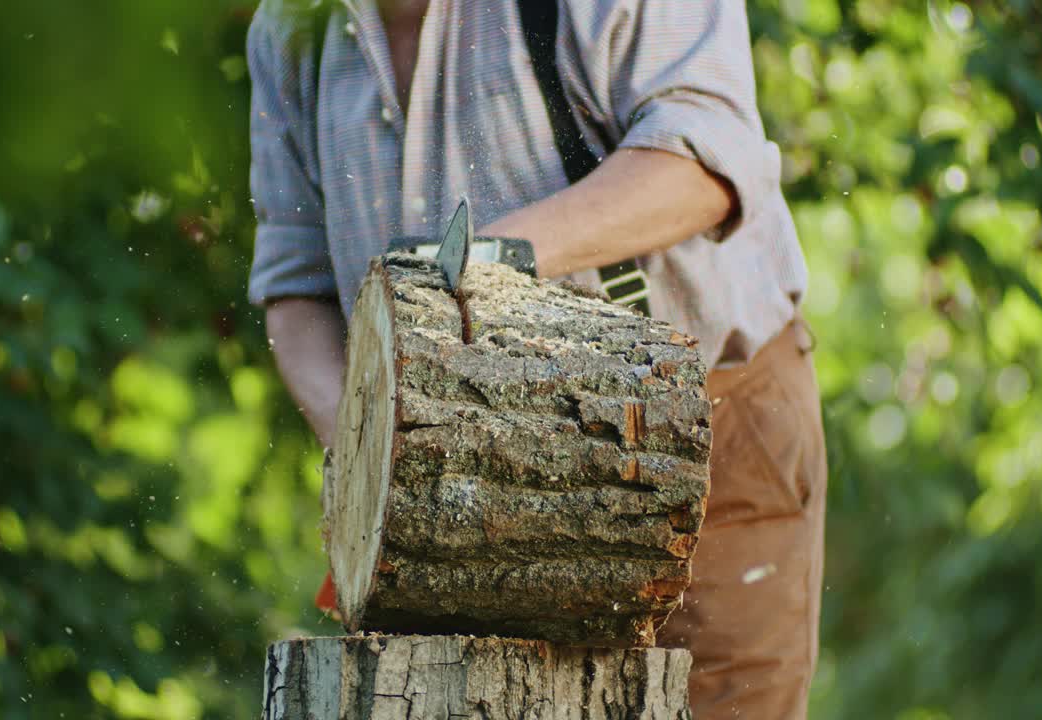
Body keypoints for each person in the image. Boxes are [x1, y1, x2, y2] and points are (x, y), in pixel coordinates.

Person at [246, 0, 827, 716]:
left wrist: (493, 259)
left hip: (698, 429)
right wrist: (368, 454)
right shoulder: (290, 31)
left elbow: (706, 157)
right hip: (462, 495)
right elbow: (293, 285)